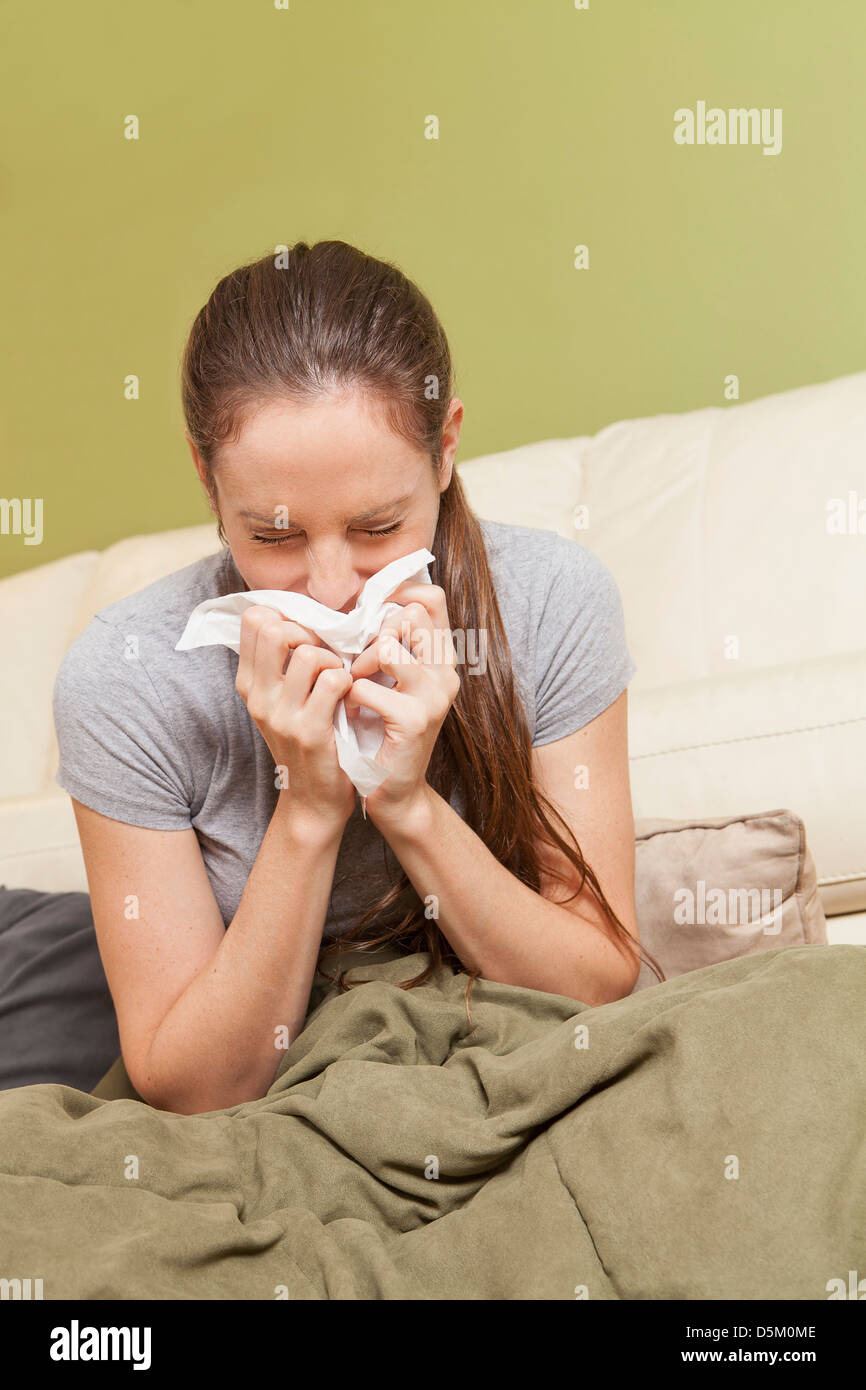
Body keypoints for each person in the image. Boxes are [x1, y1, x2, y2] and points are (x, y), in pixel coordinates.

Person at [52, 240, 662, 1116]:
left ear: (445, 448)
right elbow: (192, 1089)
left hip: (513, 1065)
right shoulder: (126, 679)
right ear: (205, 479)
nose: (333, 585)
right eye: (274, 536)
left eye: (379, 527)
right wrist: (309, 805)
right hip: (274, 1112)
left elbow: (599, 986)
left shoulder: (550, 603)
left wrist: (405, 802)